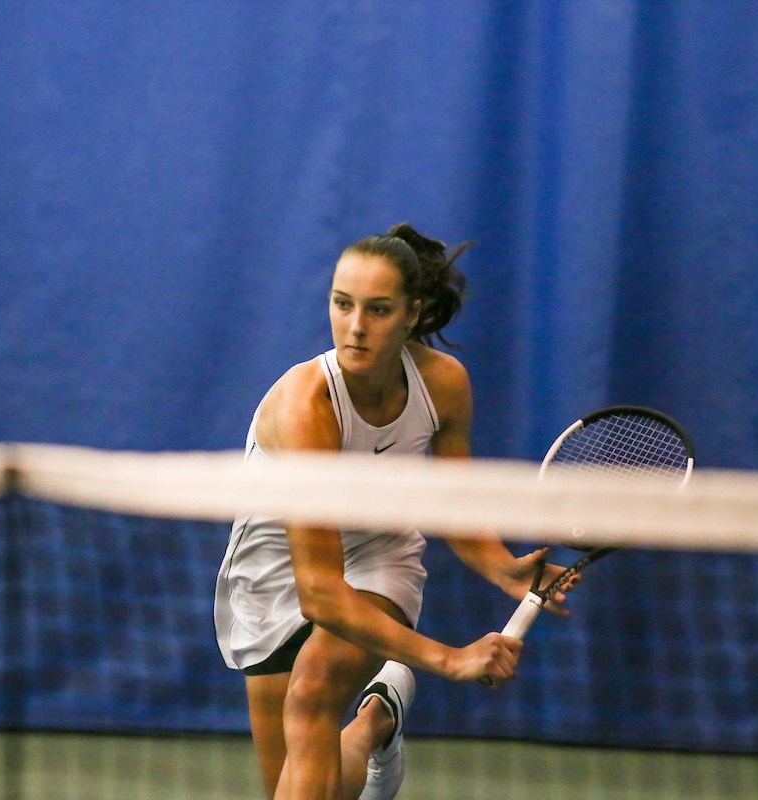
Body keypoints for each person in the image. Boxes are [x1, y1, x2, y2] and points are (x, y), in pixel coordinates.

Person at [214, 223, 577, 800]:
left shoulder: (443, 384)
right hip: (276, 569)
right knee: (297, 782)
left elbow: (453, 503)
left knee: (311, 695)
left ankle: (373, 712)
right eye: (342, 304)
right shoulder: (307, 405)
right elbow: (320, 594)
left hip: (380, 556)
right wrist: (450, 660)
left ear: (413, 315)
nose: (355, 326)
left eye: (378, 309)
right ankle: (377, 721)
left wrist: (502, 567)